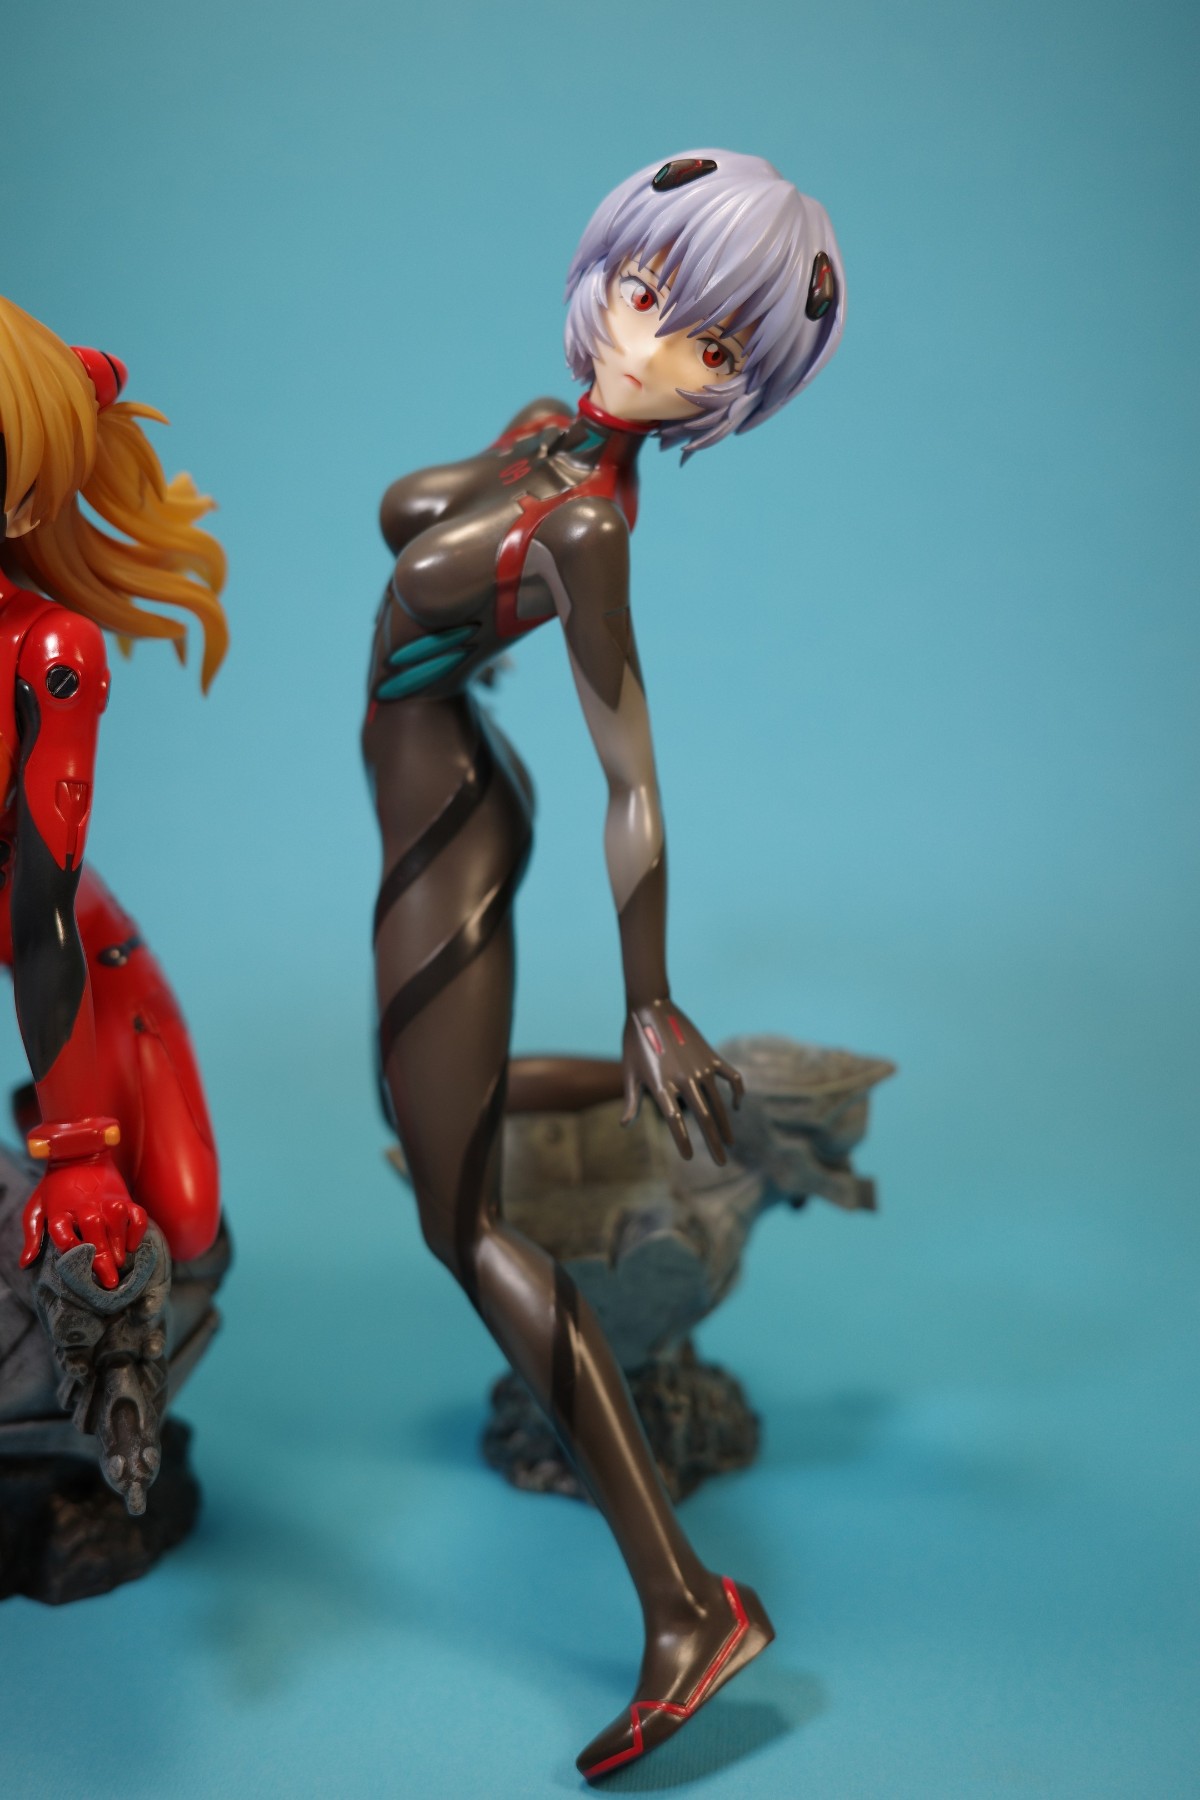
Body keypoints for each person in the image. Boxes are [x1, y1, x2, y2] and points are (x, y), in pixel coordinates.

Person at [363, 151, 845, 1780]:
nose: (652, 342)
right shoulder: (547, 433)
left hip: (448, 840)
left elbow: (635, 777)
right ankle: (681, 1116)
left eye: (712, 345)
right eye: (647, 290)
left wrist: (650, 992)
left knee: (459, 1229)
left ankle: (688, 1608)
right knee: (423, 1110)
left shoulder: (586, 524)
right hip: (443, 790)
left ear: (738, 389)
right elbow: (415, 517)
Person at [0, 295, 228, 1292]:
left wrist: (78, 1149)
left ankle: (61, 1106)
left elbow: (40, 907)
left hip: (73, 946)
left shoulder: (47, 650)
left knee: (183, 1225)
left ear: (22, 500)